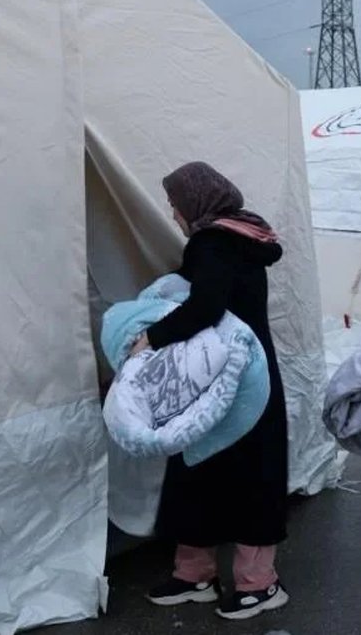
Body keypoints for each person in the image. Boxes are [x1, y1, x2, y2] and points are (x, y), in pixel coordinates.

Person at [130, 162, 290, 620]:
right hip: (245, 375)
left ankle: (258, 583)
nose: (172, 212)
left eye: (175, 203)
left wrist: (151, 338)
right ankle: (196, 572)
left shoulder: (214, 241)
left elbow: (205, 305)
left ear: (195, 202)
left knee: (213, 469)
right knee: (214, 470)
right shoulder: (244, 235)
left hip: (227, 378)